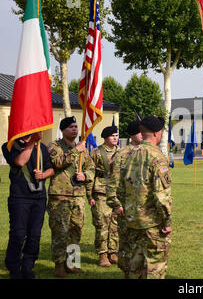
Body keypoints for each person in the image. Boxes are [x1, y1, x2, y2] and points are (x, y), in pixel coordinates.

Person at [107, 116, 172, 279]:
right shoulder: (157, 157)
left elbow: (119, 188)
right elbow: (161, 196)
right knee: (154, 268)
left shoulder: (128, 155)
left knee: (134, 268)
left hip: (132, 221)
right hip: (152, 224)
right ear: (158, 133)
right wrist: (167, 221)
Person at [47, 116, 95, 278]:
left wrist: (85, 175)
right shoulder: (54, 146)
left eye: (76, 126)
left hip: (78, 195)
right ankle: (59, 265)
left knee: (76, 230)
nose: (74, 129)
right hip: (60, 196)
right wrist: (76, 151)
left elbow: (91, 169)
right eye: (71, 127)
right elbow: (57, 163)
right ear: (63, 129)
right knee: (60, 231)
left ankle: (72, 263)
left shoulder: (82, 148)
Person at [1, 133, 54, 279]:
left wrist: (43, 175)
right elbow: (19, 161)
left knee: (34, 235)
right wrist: (32, 144)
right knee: (18, 234)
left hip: (39, 198)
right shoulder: (10, 146)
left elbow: (51, 168)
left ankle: (28, 265)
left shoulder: (42, 148)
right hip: (20, 197)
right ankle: (13, 267)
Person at [106, 120, 142, 278]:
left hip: (142, 209)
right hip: (125, 208)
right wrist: (115, 204)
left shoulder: (147, 152)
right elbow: (112, 183)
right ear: (134, 135)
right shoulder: (122, 154)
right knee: (127, 247)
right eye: (141, 132)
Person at [89, 125, 120, 267]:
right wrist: (89, 195)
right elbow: (90, 174)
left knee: (115, 224)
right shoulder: (96, 152)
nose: (115, 138)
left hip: (117, 194)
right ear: (105, 137)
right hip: (101, 192)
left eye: (116, 135)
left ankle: (113, 252)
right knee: (102, 224)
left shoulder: (121, 152)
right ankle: (102, 254)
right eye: (112, 135)